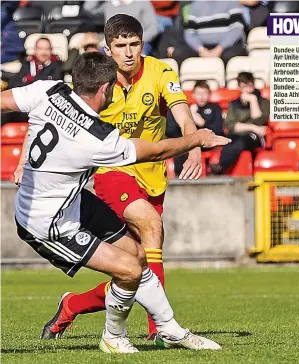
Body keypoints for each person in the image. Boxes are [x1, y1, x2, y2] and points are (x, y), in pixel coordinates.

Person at [3, 52, 227, 353]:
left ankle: (170, 329)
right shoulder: (97, 138)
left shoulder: (50, 89)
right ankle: (113, 337)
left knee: (137, 253)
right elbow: (158, 151)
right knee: (129, 270)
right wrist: (196, 139)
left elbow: (4, 101)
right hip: (47, 224)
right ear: (106, 89)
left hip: (69, 200)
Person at [25, 14, 204, 342]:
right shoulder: (97, 85)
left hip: (153, 176)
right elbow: (48, 116)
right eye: (120, 46)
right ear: (108, 49)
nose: (128, 52)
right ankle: (160, 331)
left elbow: (183, 114)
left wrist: (193, 147)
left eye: (134, 44)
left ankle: (73, 304)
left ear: (142, 43)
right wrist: (27, 160)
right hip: (113, 173)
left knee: (135, 265)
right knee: (151, 225)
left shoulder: (162, 72)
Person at [209, 72, 269, 175]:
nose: (248, 90)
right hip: (242, 134)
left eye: (250, 86)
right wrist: (253, 128)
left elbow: (260, 121)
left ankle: (221, 167)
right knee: (229, 140)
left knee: (243, 140)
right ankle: (221, 168)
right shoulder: (234, 104)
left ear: (253, 85)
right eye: (244, 86)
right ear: (240, 87)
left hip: (256, 138)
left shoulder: (263, 102)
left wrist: (253, 101)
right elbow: (231, 126)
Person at [167, 80, 224, 176]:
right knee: (181, 144)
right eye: (198, 93)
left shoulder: (215, 108)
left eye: (204, 93)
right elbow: (172, 129)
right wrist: (189, 116)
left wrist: (202, 122)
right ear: (193, 95)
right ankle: (180, 175)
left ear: (209, 94)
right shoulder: (186, 109)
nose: (201, 96)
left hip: (208, 143)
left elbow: (218, 130)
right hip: (189, 143)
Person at [169, 0, 248, 66]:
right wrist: (201, 49)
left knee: (232, 56)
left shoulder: (231, 2)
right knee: (178, 54)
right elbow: (189, 34)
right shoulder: (195, 5)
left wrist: (219, 49)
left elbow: (237, 30)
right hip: (202, 48)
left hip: (226, 47)